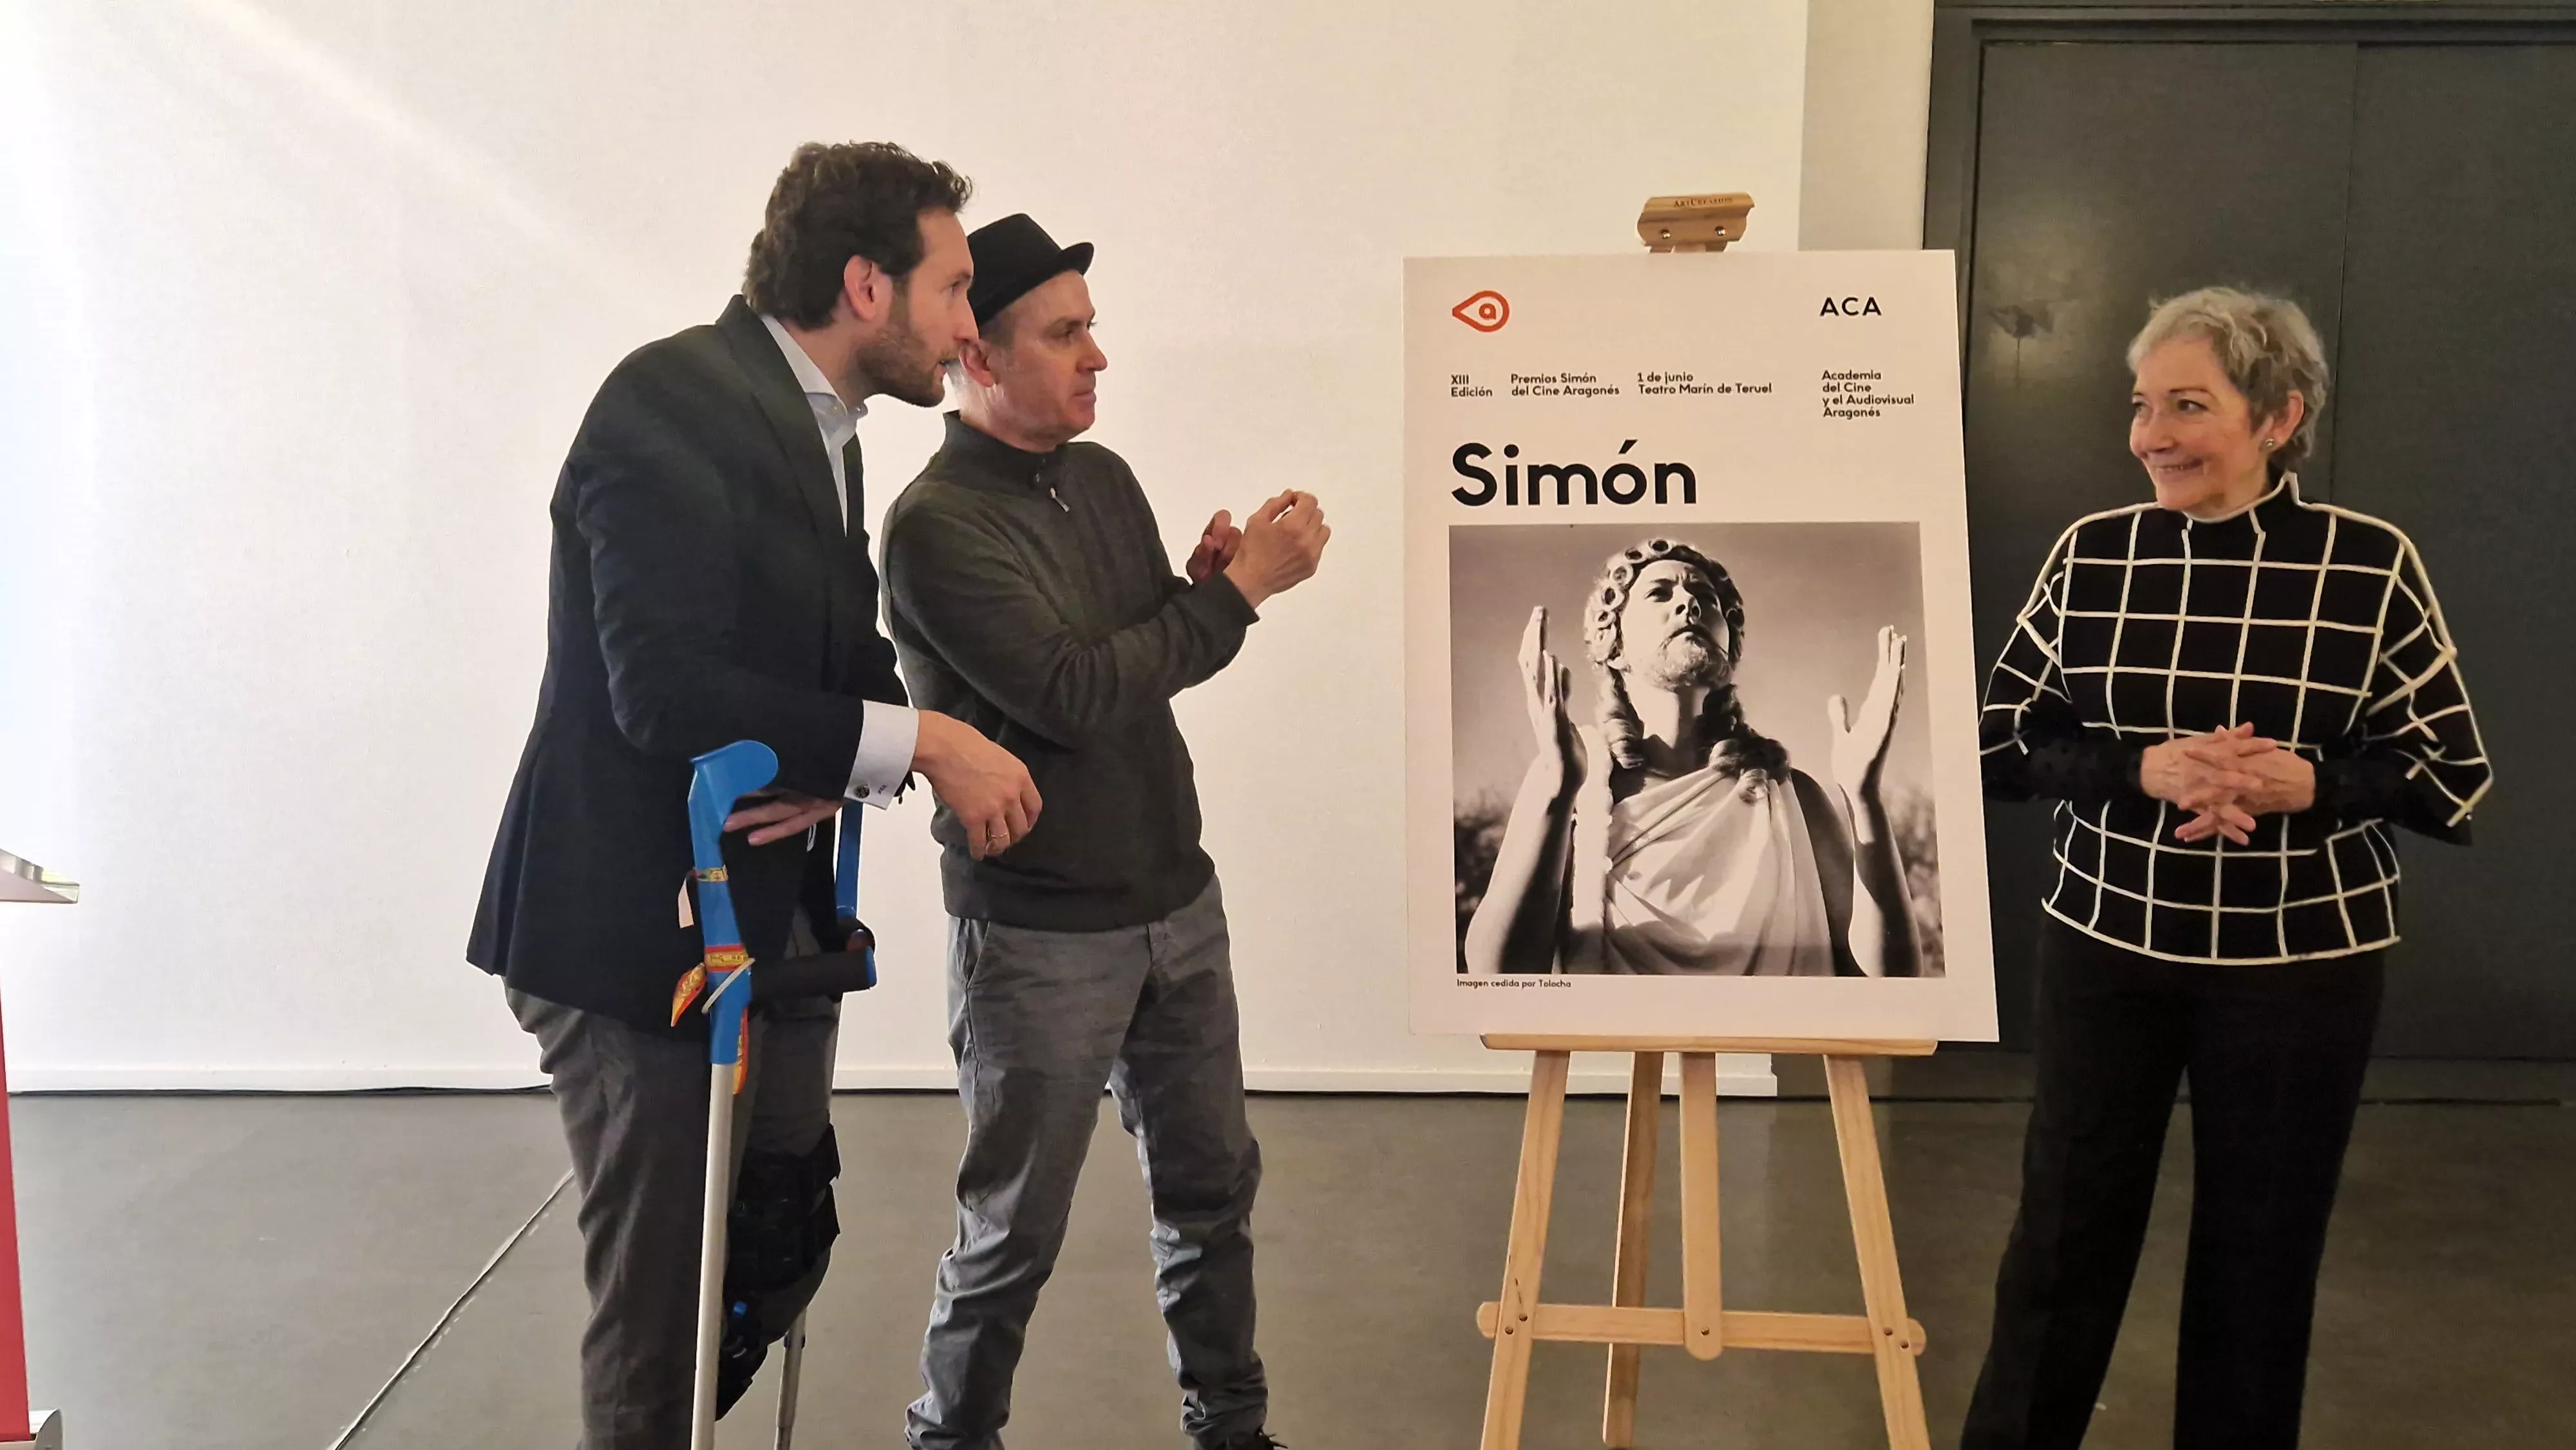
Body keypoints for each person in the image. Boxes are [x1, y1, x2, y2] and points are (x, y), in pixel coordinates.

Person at [466, 143, 1041, 1450]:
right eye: (952, 288)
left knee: (762, 1252)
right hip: (630, 929)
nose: (968, 324)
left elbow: (845, 653)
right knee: (663, 1308)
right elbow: (662, 692)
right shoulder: (670, 399)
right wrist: (920, 748)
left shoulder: (819, 431)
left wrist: (843, 750)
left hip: (756, 920)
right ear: (862, 283)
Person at [1964, 286, 2491, 1449]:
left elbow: (2453, 775)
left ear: (2279, 417)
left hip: (2302, 968)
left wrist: (2313, 781)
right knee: (2061, 1236)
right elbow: (1998, 744)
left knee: (2262, 1254)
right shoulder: (2093, 556)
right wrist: (2140, 769)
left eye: (2189, 405)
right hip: (2108, 946)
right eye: (2144, 404)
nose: (2152, 433)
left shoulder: (2369, 565)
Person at [880, 212, 1327, 1450]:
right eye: (1066, 332)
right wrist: (1236, 599)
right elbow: (1073, 694)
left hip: (1175, 902)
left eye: (1093, 328)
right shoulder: (934, 526)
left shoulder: (1105, 477)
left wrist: (1199, 594)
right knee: (1013, 1229)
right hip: (1038, 935)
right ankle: (949, 1438)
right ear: (981, 358)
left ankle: (1232, 1431)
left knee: (1211, 1192)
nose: (1098, 357)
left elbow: (1138, 664)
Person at [1461, 539, 1920, 977]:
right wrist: (1559, 793)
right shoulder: (1572, 779)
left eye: (1705, 597)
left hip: (1770, 1057)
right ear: (1612, 644)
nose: (1689, 604)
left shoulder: (1793, 796)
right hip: (1611, 1057)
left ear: (1729, 645)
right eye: (1660, 594)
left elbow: (1887, 985)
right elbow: (1500, 976)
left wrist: (1865, 800)